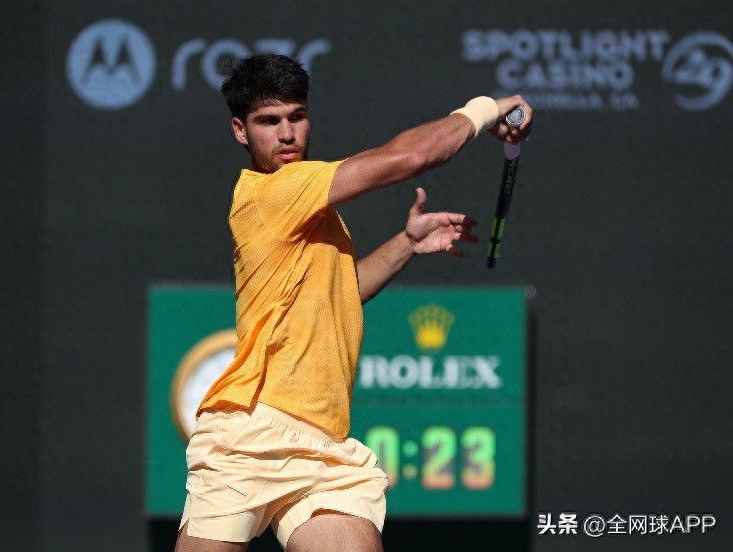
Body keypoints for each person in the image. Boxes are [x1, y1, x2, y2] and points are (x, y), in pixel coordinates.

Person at [176, 54, 532, 552]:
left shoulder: (311, 211)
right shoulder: (276, 193)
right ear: (240, 131)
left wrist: (405, 243)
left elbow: (341, 294)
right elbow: (411, 158)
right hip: (250, 434)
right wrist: (485, 109)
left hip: (324, 446)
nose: (286, 134)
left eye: (296, 116)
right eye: (268, 121)